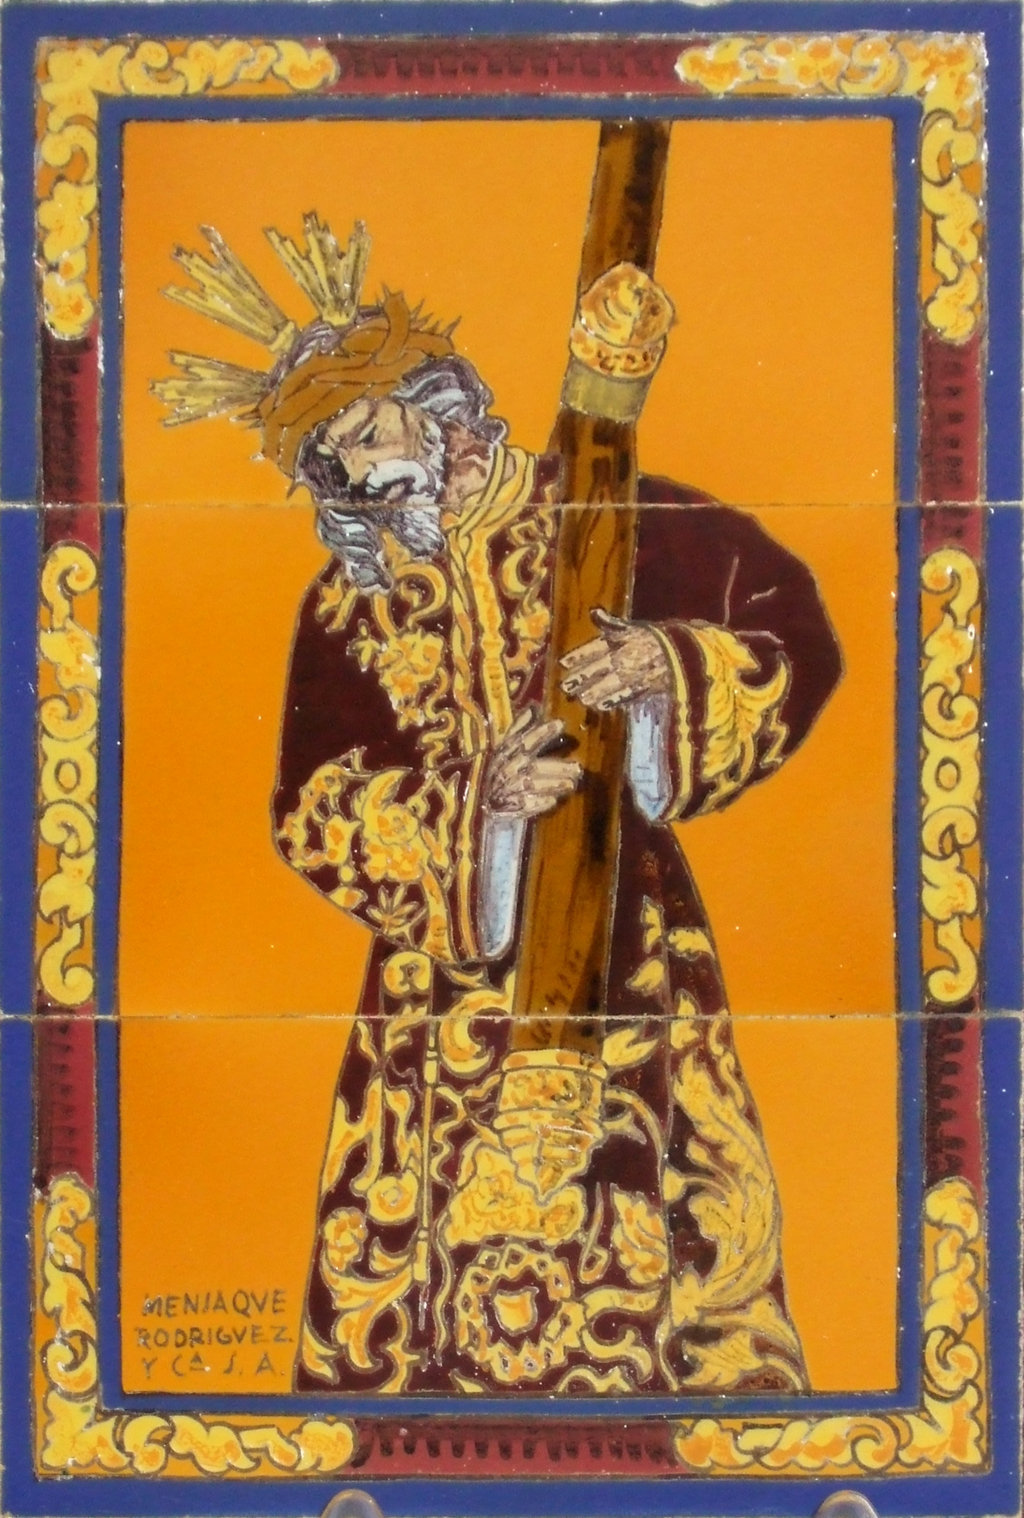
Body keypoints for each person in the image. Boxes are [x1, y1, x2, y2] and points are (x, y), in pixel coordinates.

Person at [156, 217, 841, 1397]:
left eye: (369, 430)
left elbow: (796, 633)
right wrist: (478, 807)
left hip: (629, 954)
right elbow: (315, 806)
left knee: (666, 1246)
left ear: (439, 403)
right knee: (418, 1314)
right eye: (334, 460)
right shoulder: (347, 609)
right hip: (436, 994)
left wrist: (666, 668)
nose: (364, 472)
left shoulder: (615, 509)